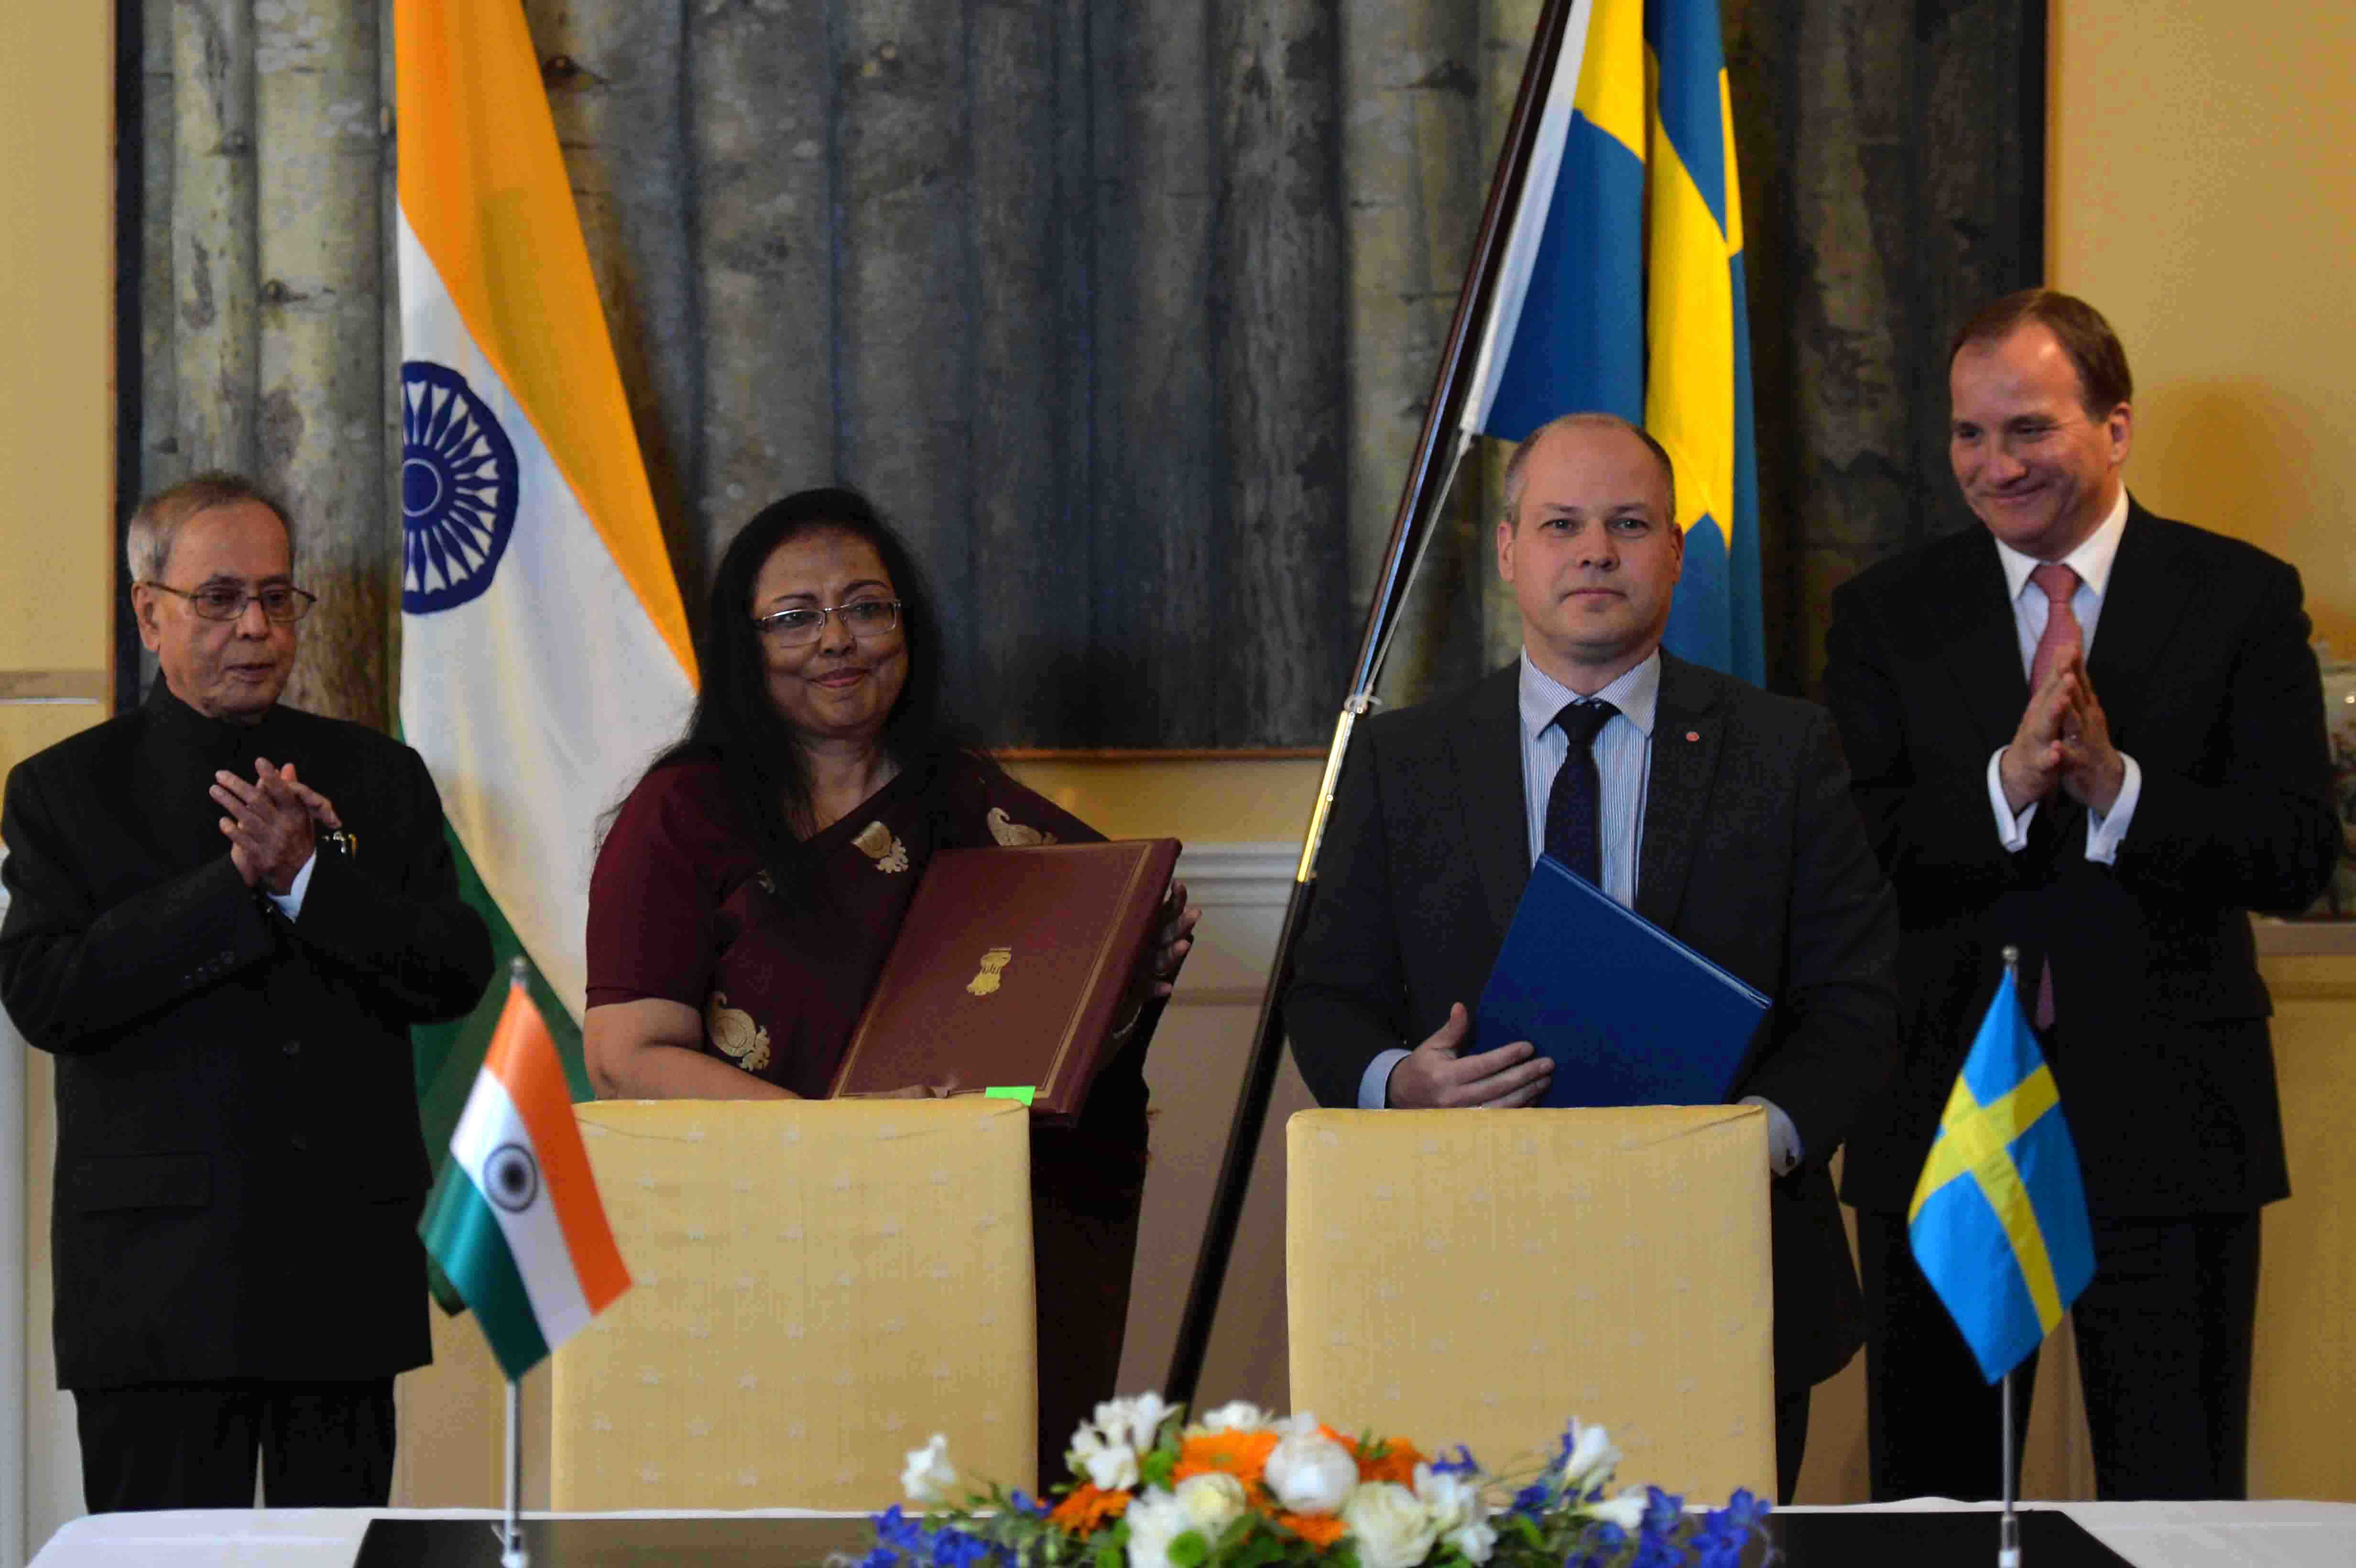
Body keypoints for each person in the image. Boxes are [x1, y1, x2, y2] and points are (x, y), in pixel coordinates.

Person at [1285, 413, 1898, 1502]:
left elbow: (1854, 1000)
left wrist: (1761, 1138)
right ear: (1510, 548)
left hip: (1721, 1267)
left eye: (1628, 523)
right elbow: (1329, 996)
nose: (1595, 551)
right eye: (1562, 523)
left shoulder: (1785, 747)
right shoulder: (1399, 757)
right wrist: (1400, 1084)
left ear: (1674, 551)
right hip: (1460, 1266)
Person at [1823, 289, 2341, 1501]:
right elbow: (1853, 850)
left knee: (2175, 1489)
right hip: (1941, 1109)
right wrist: (2005, 784)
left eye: (2028, 430)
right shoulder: (1884, 612)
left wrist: (2121, 793)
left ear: (2115, 427)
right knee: (1934, 1498)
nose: (1993, 465)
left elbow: (2294, 850)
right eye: (1967, 434)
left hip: (2171, 1119)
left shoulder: (2243, 598)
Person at [585, 486, 1199, 1481]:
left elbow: (1045, 1057)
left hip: (977, 1245)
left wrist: (1130, 976)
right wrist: (848, 1139)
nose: (838, 639)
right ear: (743, 647)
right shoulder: (682, 815)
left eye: (867, 606)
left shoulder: (973, 805)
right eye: (795, 617)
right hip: (765, 1243)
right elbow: (626, 1057)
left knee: (978, 1509)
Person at [0, 473, 495, 1512]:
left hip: (340, 1267)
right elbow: (49, 995)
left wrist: (315, 878)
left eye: (278, 597)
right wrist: (234, 885)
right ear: (149, 610)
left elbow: (452, 969)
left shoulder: (378, 776)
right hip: (156, 1282)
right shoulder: (64, 790)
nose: (257, 628)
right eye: (219, 598)